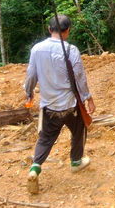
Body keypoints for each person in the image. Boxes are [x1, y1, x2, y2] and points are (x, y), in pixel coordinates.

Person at [23, 14, 96, 194]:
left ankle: (35, 168)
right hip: (70, 106)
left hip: (49, 107)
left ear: (49, 29)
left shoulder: (36, 49)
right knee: (79, 130)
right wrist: (88, 98)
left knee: (45, 139)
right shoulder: (72, 50)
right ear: (68, 31)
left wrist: (29, 93)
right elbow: (80, 78)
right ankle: (76, 162)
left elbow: (31, 76)